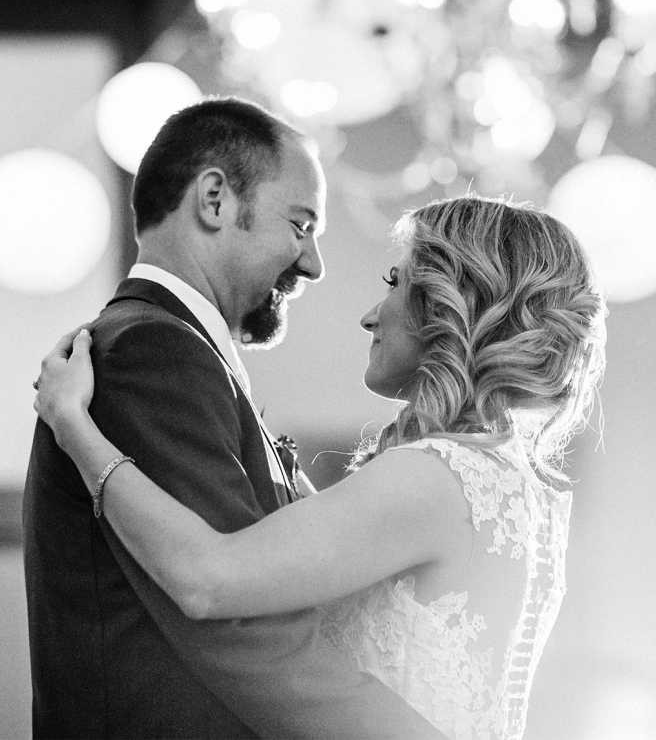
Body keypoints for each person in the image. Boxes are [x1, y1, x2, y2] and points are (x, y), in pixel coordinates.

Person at [35, 191, 607, 740]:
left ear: (449, 305)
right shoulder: (507, 484)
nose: (370, 316)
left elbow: (205, 582)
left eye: (396, 282)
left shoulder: (434, 478)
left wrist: (75, 428)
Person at [23, 97, 442, 739]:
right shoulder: (149, 352)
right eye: (301, 224)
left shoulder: (178, 350)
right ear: (215, 199)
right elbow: (237, 623)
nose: (313, 264)